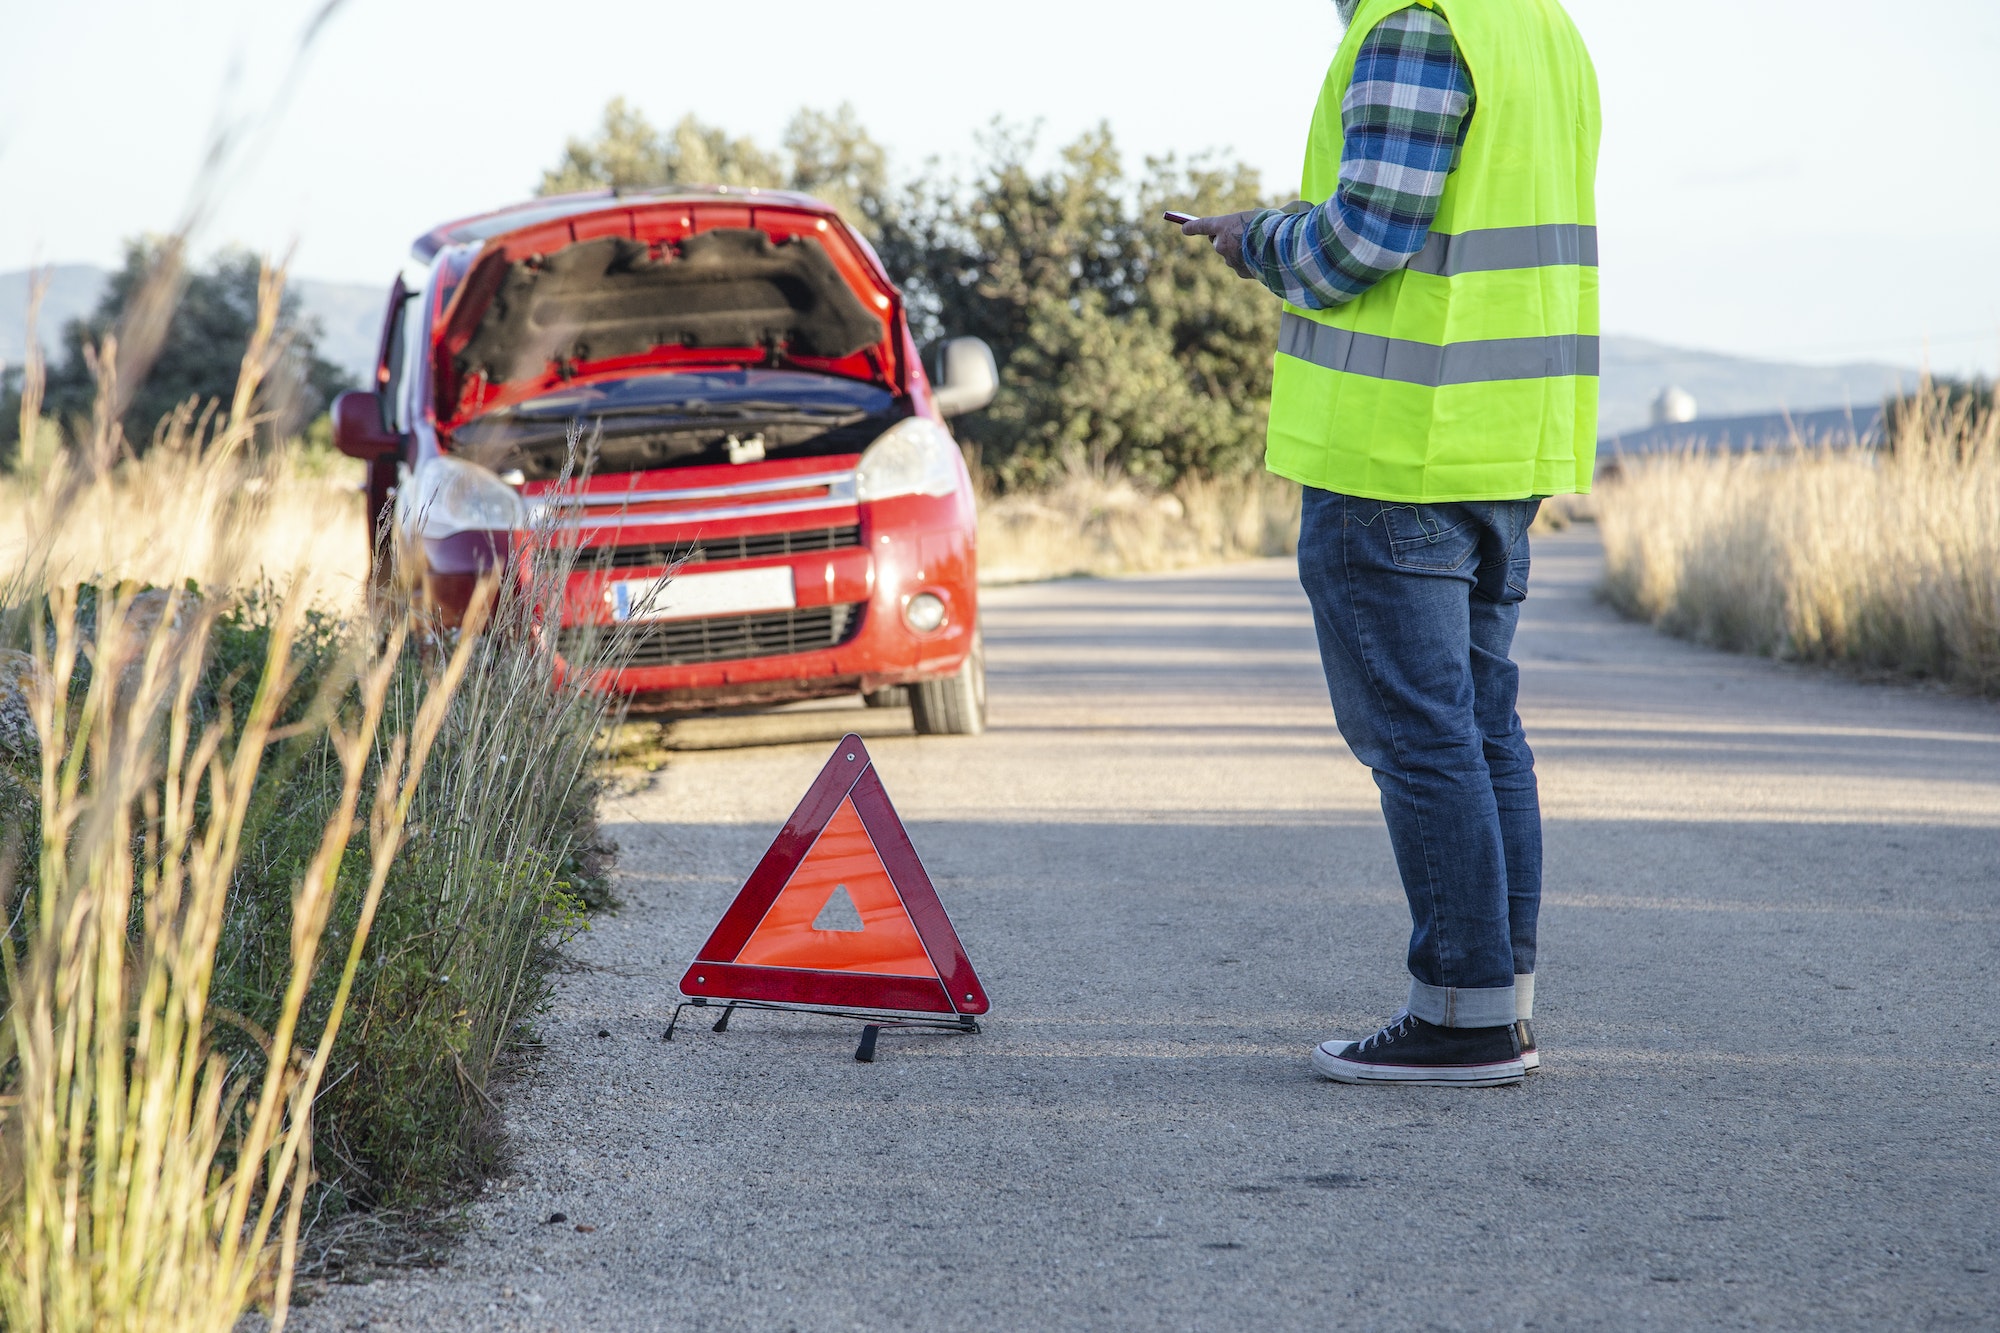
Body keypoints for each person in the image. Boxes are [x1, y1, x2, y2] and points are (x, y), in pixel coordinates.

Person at [1184, 0, 1600, 1087]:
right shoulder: (1534, 27)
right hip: (1500, 441)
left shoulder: (1415, 23)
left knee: (1422, 736)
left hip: (1398, 450)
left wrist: (1252, 239)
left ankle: (1461, 1018)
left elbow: (1360, 240)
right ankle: (1491, 1003)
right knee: (1478, 729)